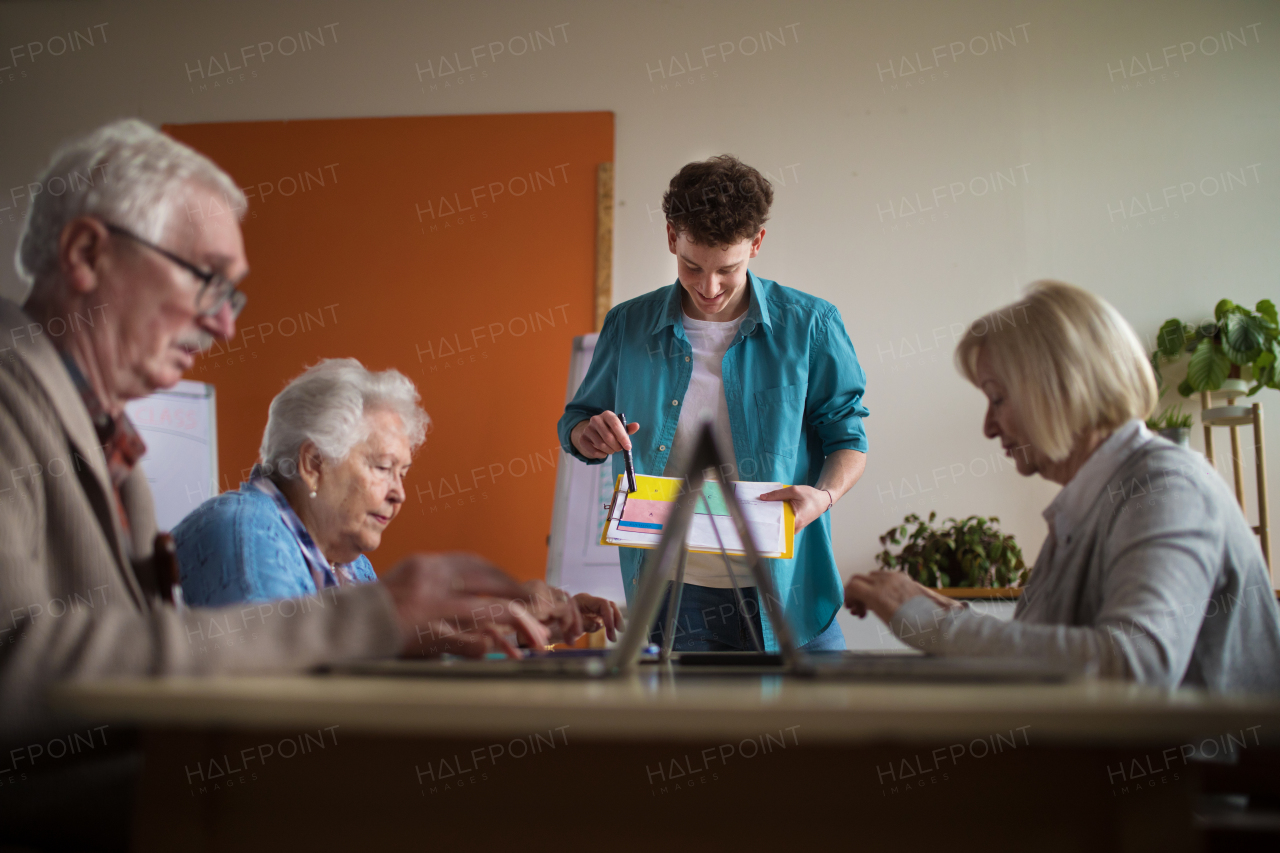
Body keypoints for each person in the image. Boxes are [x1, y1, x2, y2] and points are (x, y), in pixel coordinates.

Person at [0, 120, 566, 848]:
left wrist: (411, 628)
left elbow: (148, 664)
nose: (225, 326)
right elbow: (18, 670)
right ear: (86, 252)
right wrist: (378, 616)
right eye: (204, 277)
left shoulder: (110, 444)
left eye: (231, 295)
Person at [844, 281, 1280, 691]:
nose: (988, 427)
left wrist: (937, 626)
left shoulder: (1165, 487)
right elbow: (1047, 654)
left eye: (998, 398)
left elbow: (1136, 664)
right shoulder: (1092, 501)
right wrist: (945, 612)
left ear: (1061, 389)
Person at [558, 155, 869, 652]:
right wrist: (586, 435)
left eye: (728, 269)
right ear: (671, 238)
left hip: (790, 590)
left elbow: (849, 438)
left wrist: (824, 497)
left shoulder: (811, 325)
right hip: (672, 593)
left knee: (812, 731)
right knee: (688, 732)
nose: (708, 288)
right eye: (691, 266)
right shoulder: (628, 324)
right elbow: (576, 421)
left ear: (757, 244)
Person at [176, 357, 623, 640]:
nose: (399, 493)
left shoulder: (346, 560)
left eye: (403, 472)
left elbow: (370, 644)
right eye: (382, 467)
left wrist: (506, 614)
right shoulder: (245, 532)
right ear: (313, 463)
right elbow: (276, 691)